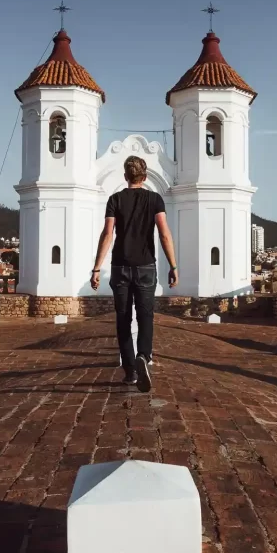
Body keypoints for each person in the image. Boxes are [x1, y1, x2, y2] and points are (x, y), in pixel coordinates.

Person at [91, 156, 178, 391]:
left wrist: (97, 268)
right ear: (145, 177)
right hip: (146, 267)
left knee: (123, 318)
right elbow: (164, 234)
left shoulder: (115, 200)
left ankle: (130, 371)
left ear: (125, 176)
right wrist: (173, 265)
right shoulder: (155, 199)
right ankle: (144, 356)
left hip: (120, 267)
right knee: (145, 315)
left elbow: (107, 234)